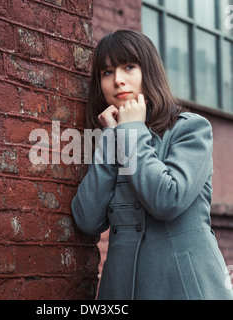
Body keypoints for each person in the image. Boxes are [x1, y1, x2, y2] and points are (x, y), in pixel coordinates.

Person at [71, 30, 233, 300]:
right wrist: (113, 137)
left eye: (129, 67)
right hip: (121, 289)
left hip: (184, 287)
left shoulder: (191, 129)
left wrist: (131, 131)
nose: (118, 80)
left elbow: (167, 200)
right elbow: (87, 219)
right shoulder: (109, 139)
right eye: (107, 72)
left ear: (148, 71)